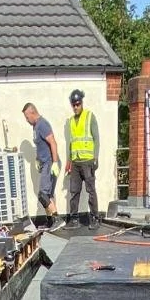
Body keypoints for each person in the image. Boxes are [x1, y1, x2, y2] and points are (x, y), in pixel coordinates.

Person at [65, 88, 100, 225]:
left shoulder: (90, 116)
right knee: (74, 191)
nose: (75, 107)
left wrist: (96, 157)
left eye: (77, 104)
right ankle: (74, 219)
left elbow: (96, 139)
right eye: (73, 105)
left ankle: (95, 217)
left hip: (88, 161)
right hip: (75, 162)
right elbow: (71, 143)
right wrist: (69, 161)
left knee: (91, 190)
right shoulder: (71, 121)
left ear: (81, 103)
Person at [22, 101, 60, 225]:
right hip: (44, 163)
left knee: (43, 195)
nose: (26, 120)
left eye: (27, 117)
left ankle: (57, 220)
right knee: (47, 195)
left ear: (33, 113)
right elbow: (40, 145)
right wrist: (38, 159)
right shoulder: (35, 126)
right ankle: (50, 222)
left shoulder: (42, 124)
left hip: (49, 162)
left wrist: (55, 163)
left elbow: (53, 142)